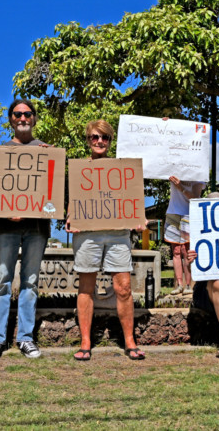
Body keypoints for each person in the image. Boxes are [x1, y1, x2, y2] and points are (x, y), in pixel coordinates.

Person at [66, 119, 146, 361]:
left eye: (104, 137)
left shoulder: (122, 168)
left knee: (123, 288)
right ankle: (85, 343)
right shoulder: (80, 169)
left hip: (118, 234)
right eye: (94, 137)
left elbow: (131, 198)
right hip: (87, 235)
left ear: (111, 141)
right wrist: (71, 217)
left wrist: (137, 217)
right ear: (88, 140)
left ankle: (130, 342)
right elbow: (76, 199)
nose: (99, 141)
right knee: (86, 287)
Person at [0, 99, 50, 361]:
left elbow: (51, 191)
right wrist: (6, 209)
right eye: (17, 114)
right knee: (2, 281)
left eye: (27, 114)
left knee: (30, 282)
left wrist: (50, 160)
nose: (22, 118)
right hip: (5, 227)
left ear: (34, 118)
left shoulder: (45, 151)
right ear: (10, 119)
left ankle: (25, 338)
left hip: (37, 227)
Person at [165, 175, 204, 295]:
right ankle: (179, 285)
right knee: (176, 251)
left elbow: (196, 198)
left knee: (186, 250)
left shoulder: (198, 175)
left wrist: (180, 187)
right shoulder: (174, 171)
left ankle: (188, 285)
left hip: (188, 214)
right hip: (172, 213)